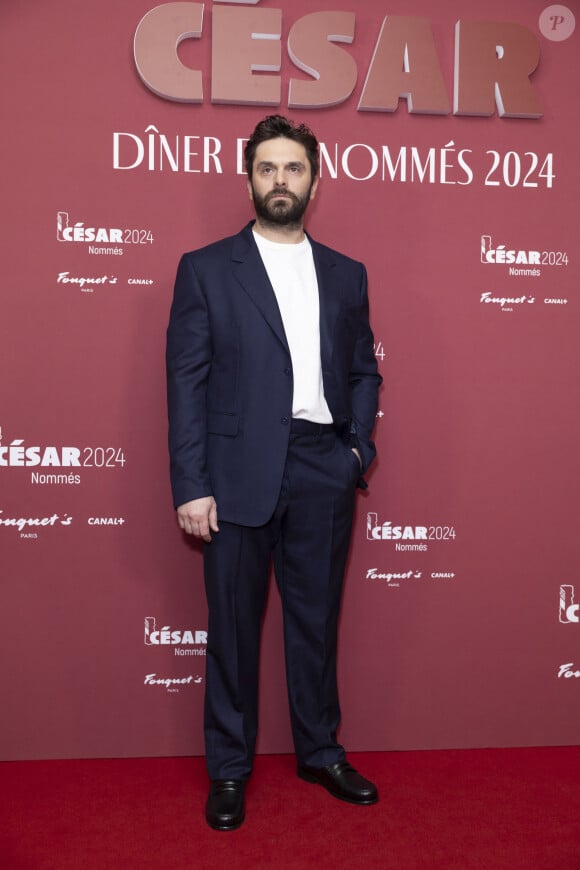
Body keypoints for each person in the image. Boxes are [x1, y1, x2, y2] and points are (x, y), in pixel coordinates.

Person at [166, 115, 382, 831]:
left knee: (317, 625)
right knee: (232, 627)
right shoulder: (205, 268)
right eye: (268, 168)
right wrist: (191, 484)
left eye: (293, 169)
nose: (280, 181)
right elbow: (186, 383)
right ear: (250, 178)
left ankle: (321, 750)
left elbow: (362, 371)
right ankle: (229, 768)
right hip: (233, 475)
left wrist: (357, 451)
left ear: (314, 183)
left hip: (323, 464)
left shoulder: (347, 274)